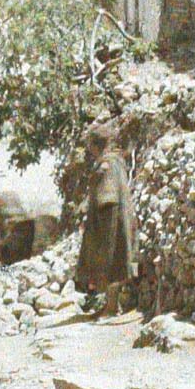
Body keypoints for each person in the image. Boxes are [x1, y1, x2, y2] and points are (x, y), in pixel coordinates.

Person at [73, 121, 137, 311]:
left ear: (95, 145)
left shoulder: (107, 165)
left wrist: (91, 216)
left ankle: (111, 308)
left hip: (109, 221)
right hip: (114, 219)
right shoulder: (115, 162)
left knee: (110, 262)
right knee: (114, 263)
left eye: (90, 145)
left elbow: (107, 197)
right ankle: (110, 305)